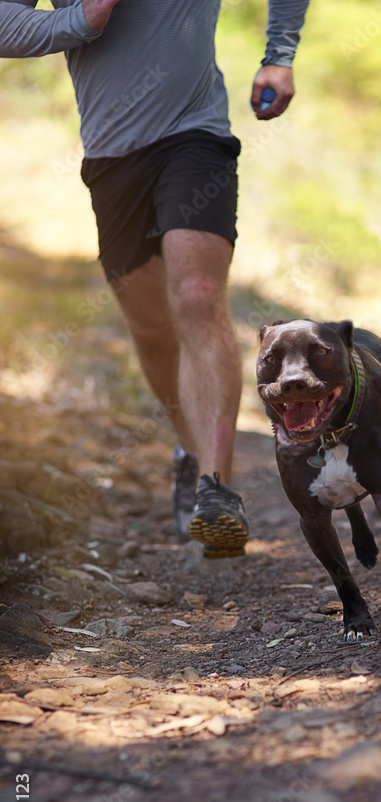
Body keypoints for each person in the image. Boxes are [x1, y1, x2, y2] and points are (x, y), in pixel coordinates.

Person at [0, 0, 310, 558]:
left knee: (197, 297)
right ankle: (188, 450)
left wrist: (279, 55)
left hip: (196, 136)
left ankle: (218, 489)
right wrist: (81, 19)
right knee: (151, 331)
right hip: (111, 153)